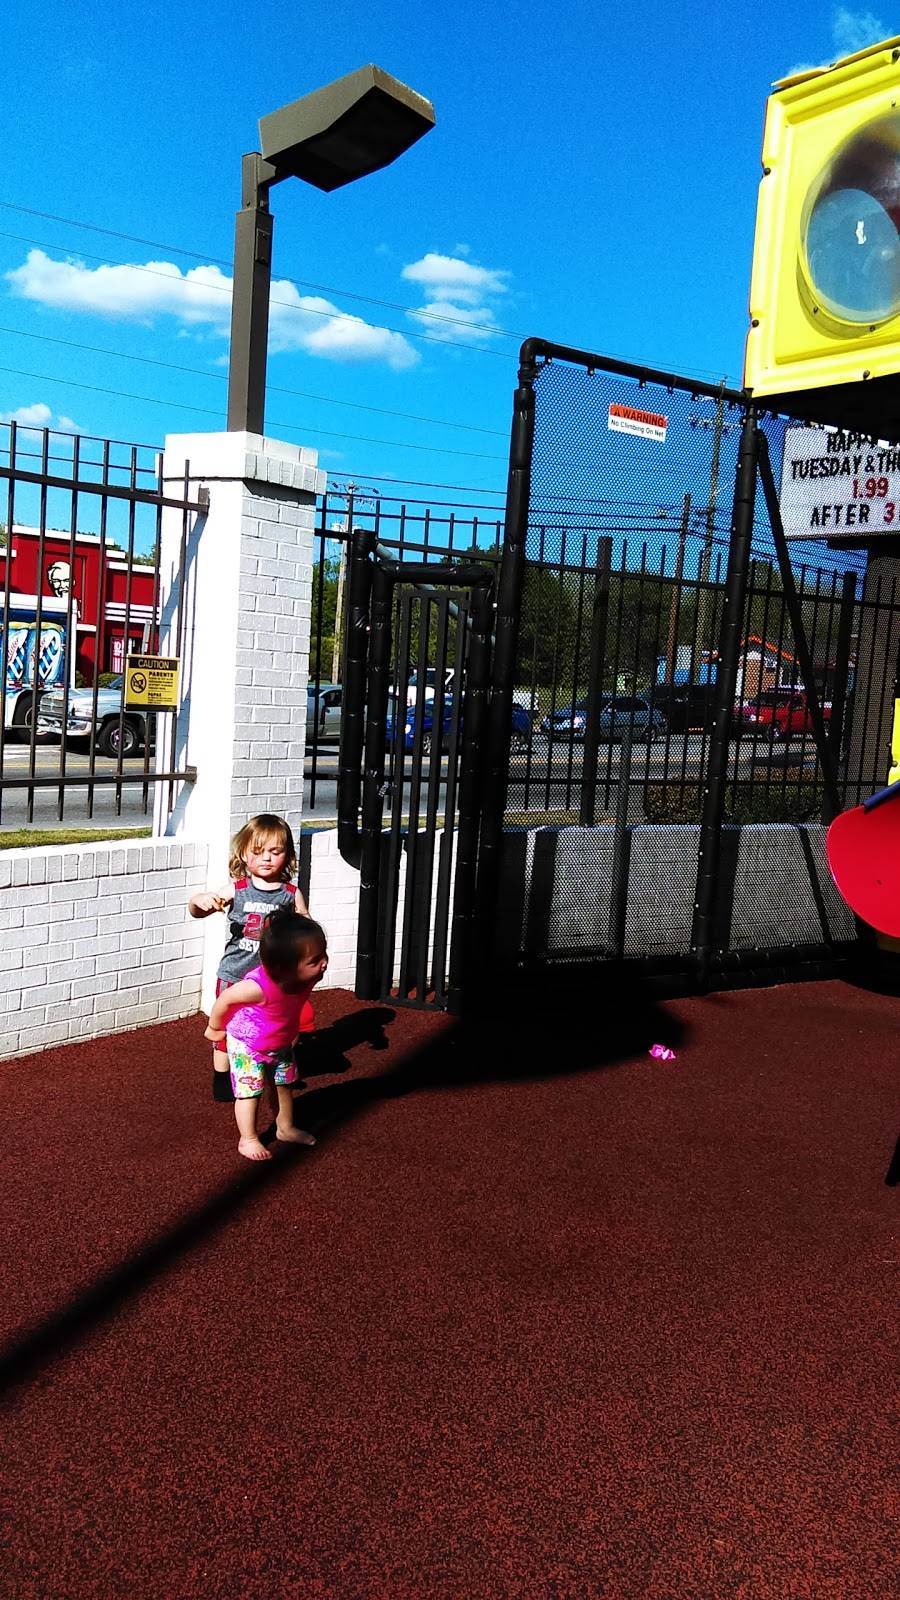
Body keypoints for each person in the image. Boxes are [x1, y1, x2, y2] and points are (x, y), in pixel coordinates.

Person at [188, 814, 309, 1102]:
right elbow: (198, 909)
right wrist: (201, 900)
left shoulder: (290, 894)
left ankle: (270, 1068)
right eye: (258, 851)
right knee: (227, 1026)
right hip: (235, 973)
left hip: (271, 979)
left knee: (273, 1023)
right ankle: (221, 1076)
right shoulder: (237, 890)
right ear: (243, 853)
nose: (267, 858)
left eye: (275, 851)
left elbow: (306, 926)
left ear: (287, 855)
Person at [204, 912, 328, 1161]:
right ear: (283, 968)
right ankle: (248, 1138)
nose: (324, 963)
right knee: (250, 1091)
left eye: (324, 954)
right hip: (247, 1044)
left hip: (280, 1041)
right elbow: (226, 998)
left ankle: (285, 1127)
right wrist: (215, 1027)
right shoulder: (257, 987)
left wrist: (293, 1031)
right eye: (315, 960)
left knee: (284, 1084)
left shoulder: (306, 978)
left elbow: (289, 1008)